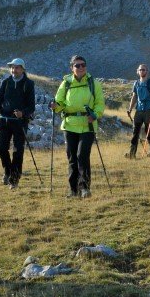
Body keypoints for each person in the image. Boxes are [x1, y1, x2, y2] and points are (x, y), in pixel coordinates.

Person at [50, 55, 105, 198]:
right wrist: (55, 106)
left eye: (83, 65)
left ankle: (85, 188)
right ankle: (73, 190)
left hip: (88, 125)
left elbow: (99, 103)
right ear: (71, 68)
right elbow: (59, 102)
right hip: (69, 125)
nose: (81, 68)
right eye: (77, 65)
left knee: (82, 155)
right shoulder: (66, 83)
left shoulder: (94, 83)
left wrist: (95, 114)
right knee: (72, 157)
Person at [0, 57, 36, 188]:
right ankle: (8, 171)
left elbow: (31, 106)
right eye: (12, 67)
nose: (13, 69)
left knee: (18, 151)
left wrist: (23, 113)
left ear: (23, 69)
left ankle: (14, 179)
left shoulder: (28, 83)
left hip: (20, 122)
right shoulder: (5, 82)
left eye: (17, 67)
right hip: (4, 120)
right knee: (0, 148)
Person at [125, 63, 150, 158]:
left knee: (149, 132)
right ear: (137, 71)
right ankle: (132, 154)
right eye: (140, 70)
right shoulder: (136, 83)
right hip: (139, 110)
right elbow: (134, 97)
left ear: (147, 72)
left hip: (149, 109)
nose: (142, 71)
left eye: (144, 70)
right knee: (135, 132)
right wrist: (130, 109)